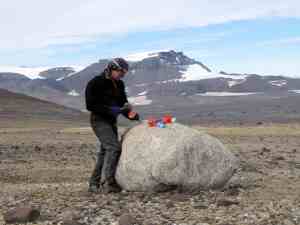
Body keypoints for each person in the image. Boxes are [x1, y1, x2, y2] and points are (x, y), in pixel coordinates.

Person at [85, 58, 140, 193]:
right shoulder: (95, 82)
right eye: (120, 72)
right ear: (111, 69)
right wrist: (110, 110)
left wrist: (132, 115)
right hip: (99, 120)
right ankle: (108, 183)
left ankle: (94, 183)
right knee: (113, 148)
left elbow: (123, 104)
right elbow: (90, 105)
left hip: (111, 121)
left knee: (105, 151)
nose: (122, 75)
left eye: (123, 74)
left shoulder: (119, 84)